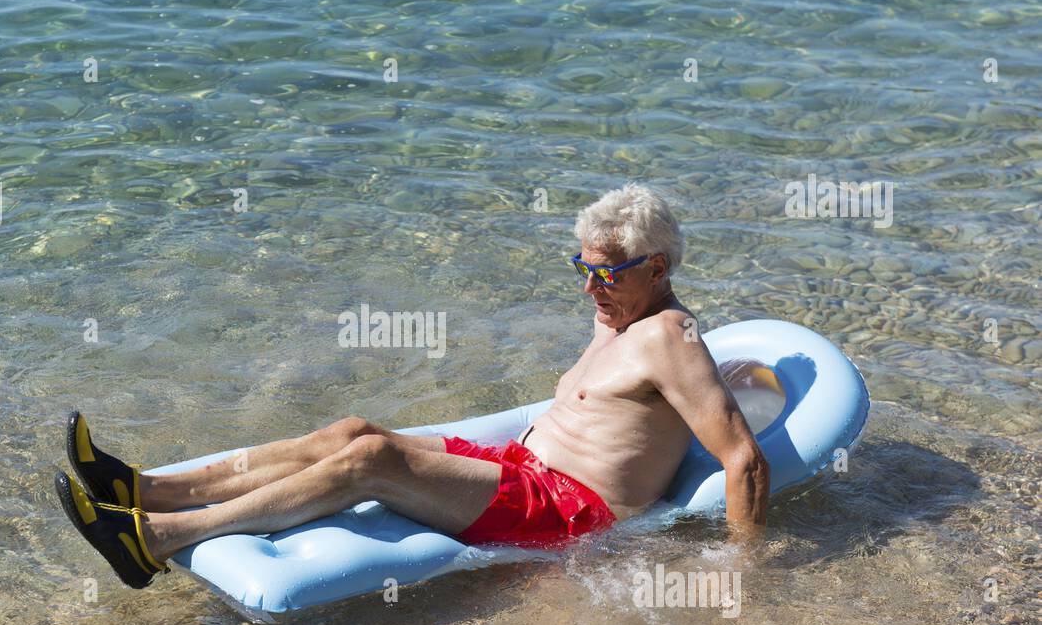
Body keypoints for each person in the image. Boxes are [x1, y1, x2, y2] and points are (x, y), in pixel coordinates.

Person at [55, 183, 769, 588]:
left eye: (606, 273)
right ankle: (141, 488)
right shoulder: (618, 315)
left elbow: (742, 457)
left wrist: (742, 566)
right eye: (580, 267)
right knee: (352, 432)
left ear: (660, 267)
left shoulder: (671, 337)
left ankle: (155, 540)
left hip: (569, 509)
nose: (590, 286)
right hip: (522, 471)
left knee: (374, 464)